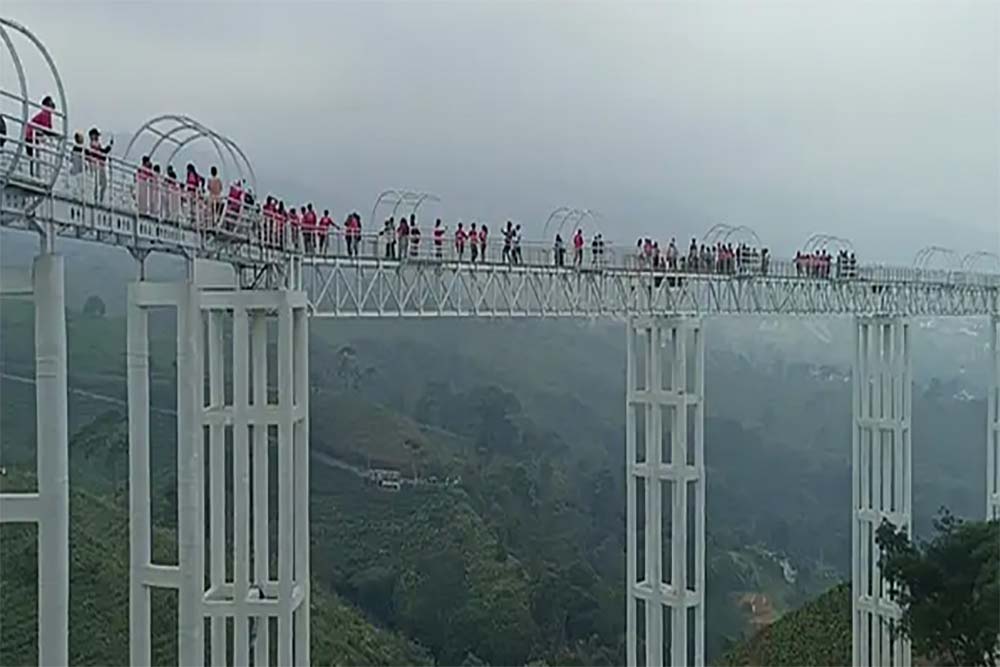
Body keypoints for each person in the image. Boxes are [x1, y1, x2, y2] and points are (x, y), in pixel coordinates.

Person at [25, 96, 57, 176]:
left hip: (32, 135)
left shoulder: (47, 114)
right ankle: (33, 173)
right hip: (31, 136)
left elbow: (48, 128)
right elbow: (46, 129)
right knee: (33, 156)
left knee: (33, 157)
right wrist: (53, 134)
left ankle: (33, 173)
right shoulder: (45, 114)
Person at [85, 127, 112, 203]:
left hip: (99, 165)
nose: (97, 137)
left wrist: (107, 148)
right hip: (96, 165)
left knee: (101, 184)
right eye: (96, 135)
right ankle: (98, 199)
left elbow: (102, 152)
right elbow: (101, 153)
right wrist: (107, 148)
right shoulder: (94, 144)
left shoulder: (96, 144)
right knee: (99, 184)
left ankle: (99, 199)